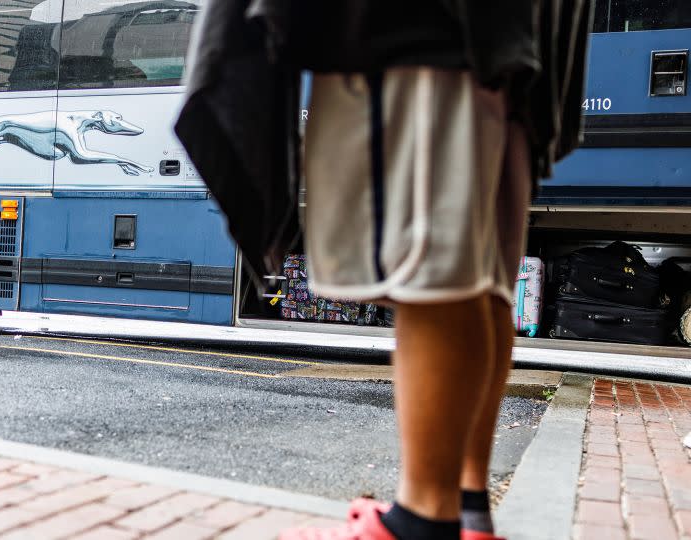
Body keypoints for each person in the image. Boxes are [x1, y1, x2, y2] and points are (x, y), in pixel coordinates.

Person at [175, 2, 593, 539]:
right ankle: (467, 510)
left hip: (412, 32)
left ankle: (418, 520)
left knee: (426, 271)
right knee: (482, 280)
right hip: (500, 44)